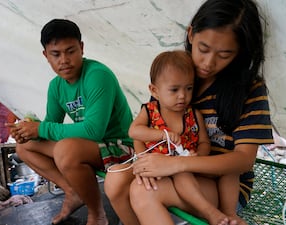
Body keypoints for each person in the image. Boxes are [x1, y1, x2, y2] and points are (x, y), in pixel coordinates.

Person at [104, 0, 274, 224]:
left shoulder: (249, 89)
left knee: (143, 191)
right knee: (114, 181)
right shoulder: (175, 73)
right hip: (172, 164)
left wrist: (176, 164)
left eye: (224, 55)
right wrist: (147, 161)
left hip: (222, 183)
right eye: (203, 49)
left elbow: (243, 161)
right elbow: (148, 127)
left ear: (239, 52)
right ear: (191, 34)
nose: (208, 62)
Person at [6, 19, 134, 225]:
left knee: (66, 150)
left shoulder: (97, 75)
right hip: (94, 148)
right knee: (25, 147)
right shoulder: (56, 87)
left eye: (70, 51)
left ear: (81, 48)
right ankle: (72, 190)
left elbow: (93, 131)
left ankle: (97, 214)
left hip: (123, 147)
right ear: (46, 56)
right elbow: (50, 126)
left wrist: (40, 128)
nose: (64, 60)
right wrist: (27, 131)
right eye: (56, 54)